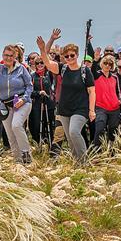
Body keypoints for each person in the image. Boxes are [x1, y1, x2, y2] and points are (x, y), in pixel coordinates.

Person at [37, 30, 94, 163]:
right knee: (69, 137)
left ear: (77, 55)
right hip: (64, 109)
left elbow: (92, 91)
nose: (69, 58)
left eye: (72, 55)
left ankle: (84, 161)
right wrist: (42, 48)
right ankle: (77, 162)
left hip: (80, 109)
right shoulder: (62, 68)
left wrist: (91, 110)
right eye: (66, 56)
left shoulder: (85, 71)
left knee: (74, 131)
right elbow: (47, 62)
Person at [0, 38, 35, 163]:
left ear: (15, 56)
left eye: (11, 55)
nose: (8, 58)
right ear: (3, 56)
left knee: (16, 125)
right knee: (10, 133)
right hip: (5, 105)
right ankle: (17, 160)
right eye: (6, 55)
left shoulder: (21, 69)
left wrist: (24, 99)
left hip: (22, 102)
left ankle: (26, 154)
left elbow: (29, 86)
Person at [90, 52, 121, 148]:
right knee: (100, 129)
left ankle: (111, 151)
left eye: (110, 64)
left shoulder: (115, 77)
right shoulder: (96, 75)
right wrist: (95, 60)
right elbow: (92, 70)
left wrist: (120, 100)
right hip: (100, 107)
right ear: (102, 63)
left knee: (113, 132)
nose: (107, 65)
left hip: (114, 108)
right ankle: (96, 151)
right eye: (105, 63)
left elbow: (118, 91)